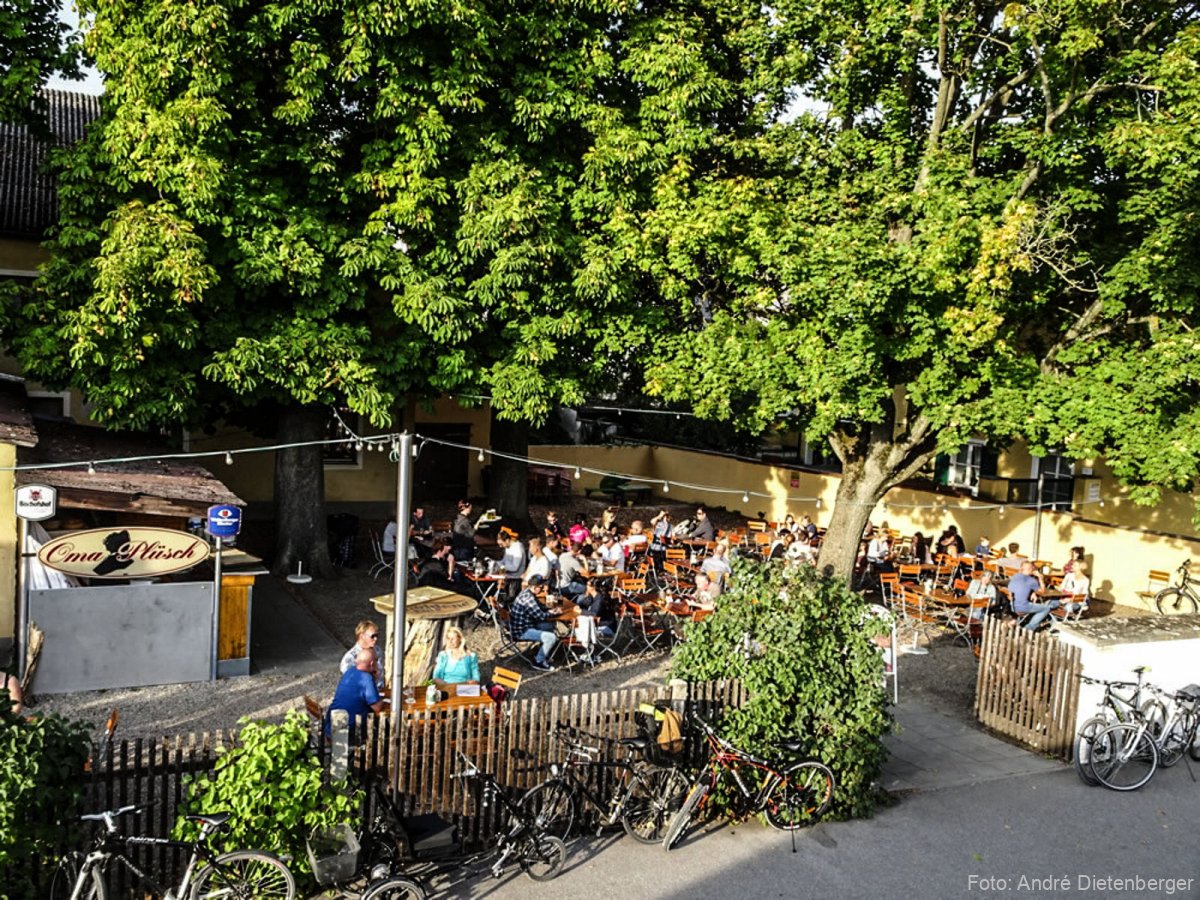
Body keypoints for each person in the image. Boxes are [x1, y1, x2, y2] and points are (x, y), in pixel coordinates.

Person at [328, 646, 385, 732]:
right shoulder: (366, 679)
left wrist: (374, 679)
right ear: (371, 663)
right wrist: (384, 701)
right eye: (376, 661)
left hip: (333, 723)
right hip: (350, 729)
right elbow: (377, 707)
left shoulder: (350, 672)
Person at [509, 575, 560, 671]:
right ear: (534, 587)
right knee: (551, 637)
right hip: (522, 631)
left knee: (550, 626)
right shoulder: (529, 599)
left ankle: (543, 652)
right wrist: (552, 613)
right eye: (541, 587)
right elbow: (540, 616)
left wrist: (548, 609)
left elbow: (538, 607)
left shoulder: (526, 593)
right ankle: (538, 661)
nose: (543, 588)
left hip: (521, 626)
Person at [1009, 560, 1060, 630]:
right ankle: (1029, 628)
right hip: (1023, 607)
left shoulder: (1015, 576)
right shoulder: (1031, 580)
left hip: (1012, 606)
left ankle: (1013, 622)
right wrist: (1040, 578)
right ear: (1031, 569)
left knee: (1032, 603)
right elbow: (1043, 592)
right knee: (1046, 608)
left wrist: (1033, 592)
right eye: (1033, 568)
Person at [340, 620, 384, 688]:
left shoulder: (377, 650)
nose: (376, 639)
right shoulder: (350, 658)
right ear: (362, 636)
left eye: (377, 635)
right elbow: (352, 682)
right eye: (373, 636)